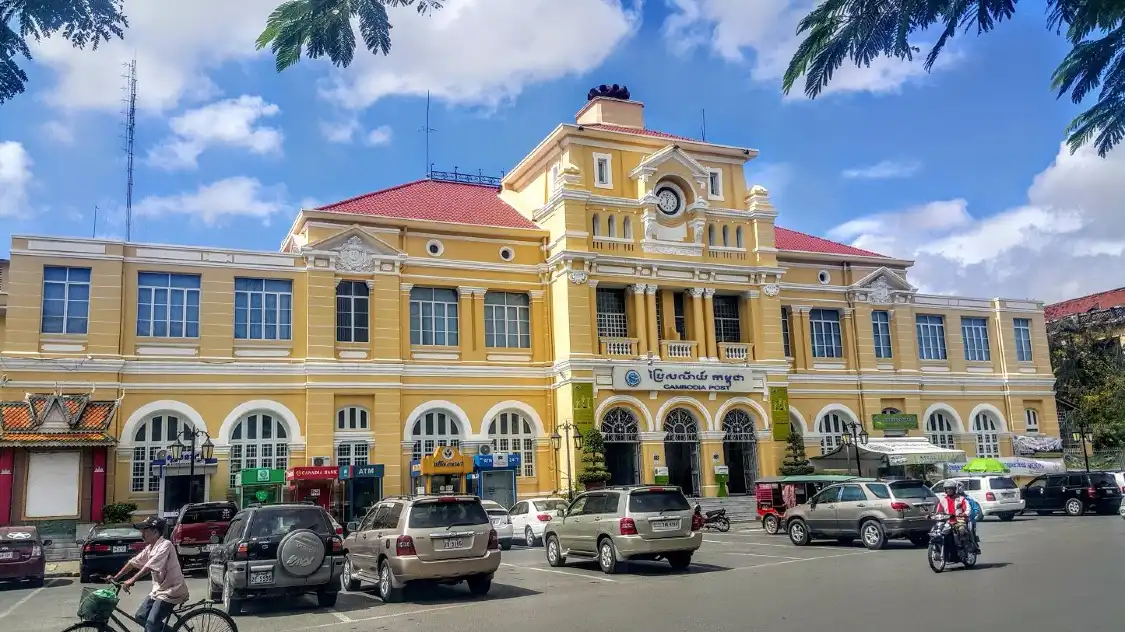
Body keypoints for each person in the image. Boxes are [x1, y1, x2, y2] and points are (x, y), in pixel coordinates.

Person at [112, 517, 189, 632]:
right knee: (141, 617)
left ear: (155, 532)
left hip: (172, 591)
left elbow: (149, 566)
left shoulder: (165, 545)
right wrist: (116, 577)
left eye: (145, 530)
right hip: (158, 591)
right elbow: (133, 562)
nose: (142, 533)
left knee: (151, 624)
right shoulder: (150, 548)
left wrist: (132, 579)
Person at [958, 483, 983, 554]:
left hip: (968, 519)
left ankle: (974, 546)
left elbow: (976, 509)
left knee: (970, 530)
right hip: (954, 519)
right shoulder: (950, 498)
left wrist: (969, 515)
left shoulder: (968, 498)